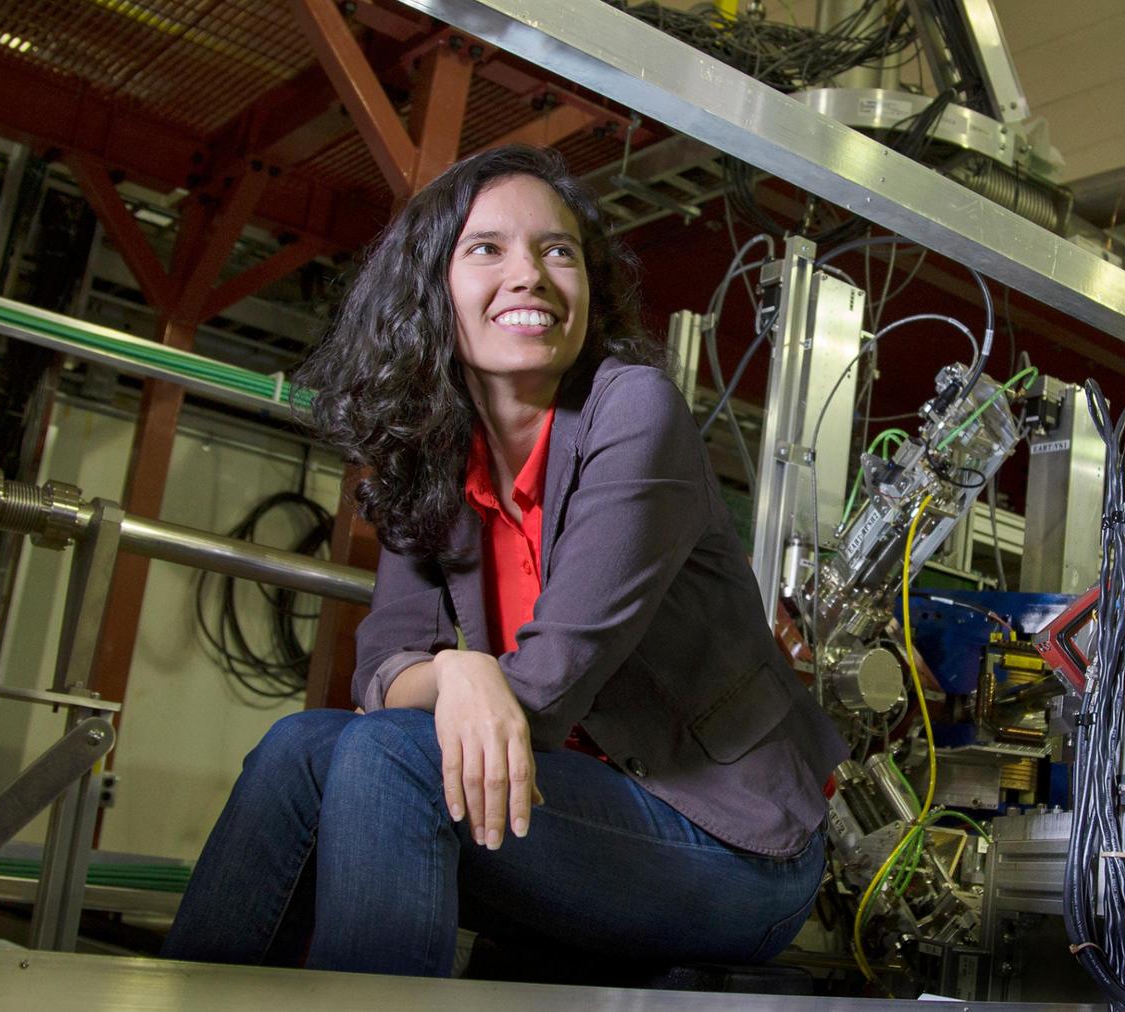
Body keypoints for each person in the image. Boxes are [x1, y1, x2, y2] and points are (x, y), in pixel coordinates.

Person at [162, 144, 848, 978]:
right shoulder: (431, 453)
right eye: (486, 249)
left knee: (389, 759)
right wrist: (459, 674)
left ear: (589, 288)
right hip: (567, 807)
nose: (529, 274)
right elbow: (380, 666)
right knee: (298, 749)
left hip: (732, 844)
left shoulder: (633, 411)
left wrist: (464, 674)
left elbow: (548, 691)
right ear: (431, 288)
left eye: (558, 250)